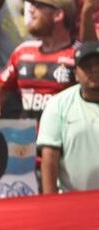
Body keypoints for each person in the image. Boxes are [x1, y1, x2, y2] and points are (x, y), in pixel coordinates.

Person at [0, 0, 77, 122]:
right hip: (26, 132)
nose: (31, 10)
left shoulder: (79, 55)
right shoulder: (23, 51)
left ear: (58, 15)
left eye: (38, 6)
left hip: (65, 131)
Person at [37, 41, 99, 193]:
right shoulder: (58, 105)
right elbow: (49, 158)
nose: (95, 69)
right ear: (76, 74)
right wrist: (50, 202)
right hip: (74, 200)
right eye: (87, 66)